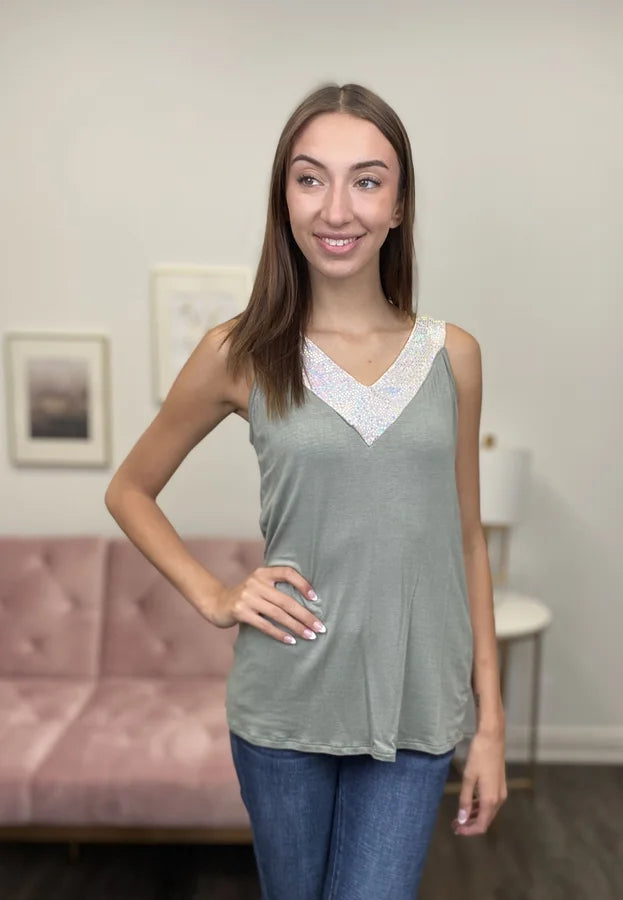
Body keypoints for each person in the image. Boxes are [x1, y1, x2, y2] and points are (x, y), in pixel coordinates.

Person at [105, 81, 507, 900]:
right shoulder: (239, 352)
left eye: (367, 180)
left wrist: (490, 727)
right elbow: (130, 490)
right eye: (310, 178)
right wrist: (216, 595)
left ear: (398, 205)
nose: (336, 208)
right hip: (284, 708)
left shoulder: (452, 356)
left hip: (414, 709)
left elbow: (465, 540)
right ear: (283, 198)